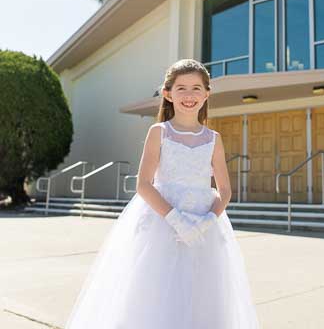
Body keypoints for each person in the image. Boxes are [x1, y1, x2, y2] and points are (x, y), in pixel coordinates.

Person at [65, 60, 259, 329]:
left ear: (206, 94)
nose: (189, 95)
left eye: (196, 88)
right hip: (161, 221)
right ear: (168, 94)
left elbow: (225, 190)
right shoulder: (159, 132)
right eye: (181, 88)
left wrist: (207, 221)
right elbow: (144, 184)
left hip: (204, 225)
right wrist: (176, 220)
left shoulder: (213, 138)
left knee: (203, 291)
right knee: (155, 289)